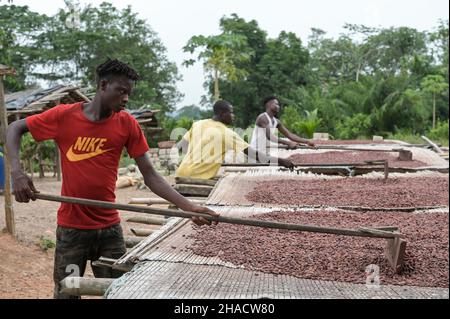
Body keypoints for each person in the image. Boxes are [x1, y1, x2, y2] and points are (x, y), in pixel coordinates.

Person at [6, 58, 219, 299]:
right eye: (122, 91)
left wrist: (189, 207)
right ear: (104, 85)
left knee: (121, 292)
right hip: (72, 230)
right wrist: (17, 173)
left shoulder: (127, 123)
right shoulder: (63, 116)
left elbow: (150, 175)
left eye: (129, 93)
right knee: (68, 291)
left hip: (109, 230)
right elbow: (15, 129)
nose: (126, 98)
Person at [176, 100, 294, 180]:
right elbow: (254, 154)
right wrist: (282, 162)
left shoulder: (198, 124)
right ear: (222, 113)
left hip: (181, 172)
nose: (233, 116)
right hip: (197, 177)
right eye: (231, 112)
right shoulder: (226, 133)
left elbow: (181, 146)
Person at [250, 96, 316, 153]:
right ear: (269, 105)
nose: (278, 106)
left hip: (264, 152)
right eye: (276, 104)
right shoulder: (262, 118)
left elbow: (290, 135)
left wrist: (307, 141)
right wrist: (288, 143)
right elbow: (270, 137)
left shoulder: (277, 121)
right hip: (255, 151)